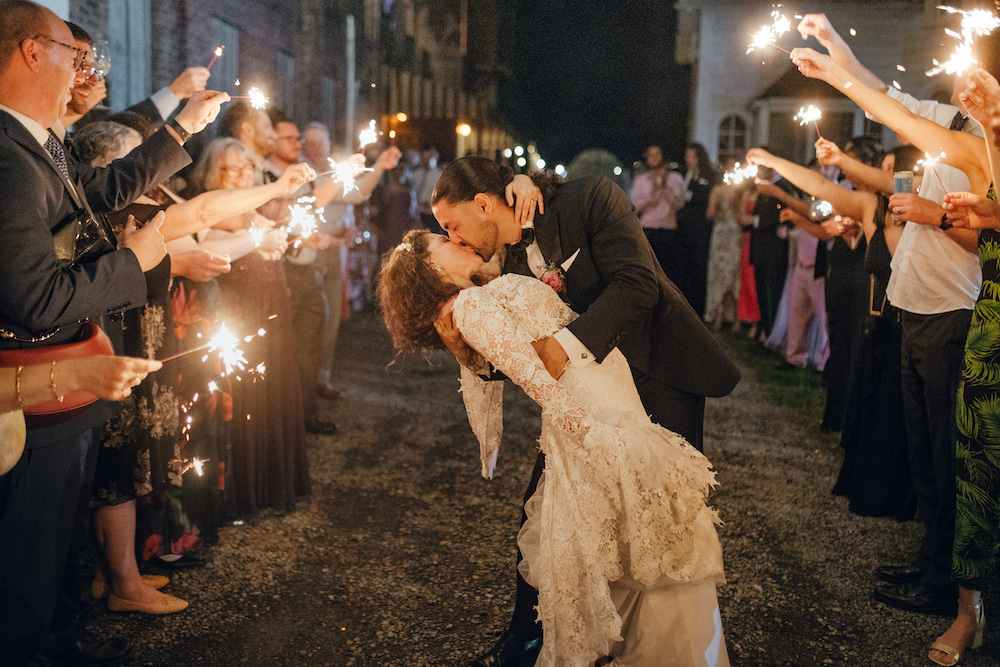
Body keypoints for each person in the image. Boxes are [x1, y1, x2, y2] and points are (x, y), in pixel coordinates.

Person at [430, 157, 740, 666]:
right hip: (585, 406)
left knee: (662, 525)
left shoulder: (591, 198)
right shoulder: (504, 264)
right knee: (548, 522)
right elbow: (518, 351)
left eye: (453, 225)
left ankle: (659, 649)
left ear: (484, 204)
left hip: (657, 378)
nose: (455, 239)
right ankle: (532, 646)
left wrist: (564, 346)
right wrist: (475, 361)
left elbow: (638, 282)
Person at [0, 2, 226, 664]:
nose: (83, 67)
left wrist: (182, 127)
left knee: (60, 552)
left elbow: (103, 190)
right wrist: (138, 263)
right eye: (74, 52)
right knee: (26, 564)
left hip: (74, 381)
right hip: (36, 388)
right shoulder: (8, 159)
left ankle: (62, 642)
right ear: (29, 51)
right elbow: (35, 298)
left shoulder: (42, 140)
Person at [792, 42, 999, 667]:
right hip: (953, 315)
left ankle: (954, 590)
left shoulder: (980, 148)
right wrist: (840, 57)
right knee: (952, 461)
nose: (971, 89)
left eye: (983, 82)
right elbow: (892, 103)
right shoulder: (959, 135)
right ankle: (947, 583)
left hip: (957, 312)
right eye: (969, 80)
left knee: (958, 458)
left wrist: (945, 217)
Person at [629, 144, 685, 278]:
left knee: (667, 270)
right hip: (648, 228)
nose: (653, 158)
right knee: (648, 269)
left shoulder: (675, 178)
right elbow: (634, 206)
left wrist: (666, 188)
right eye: (650, 155)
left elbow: (680, 204)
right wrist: (652, 194)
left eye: (657, 154)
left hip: (668, 229)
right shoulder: (641, 180)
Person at [703, 159, 746, 331]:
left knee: (734, 273)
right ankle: (718, 315)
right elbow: (709, 214)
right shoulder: (717, 190)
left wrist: (735, 203)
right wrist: (718, 206)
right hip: (720, 235)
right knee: (719, 274)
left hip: (734, 233)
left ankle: (735, 318)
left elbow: (740, 216)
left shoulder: (740, 191)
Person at [676, 143, 717, 318]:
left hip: (700, 228)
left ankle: (698, 308)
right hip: (685, 228)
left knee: (699, 267)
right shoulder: (687, 175)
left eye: (691, 156)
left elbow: (706, 197)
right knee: (685, 266)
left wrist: (689, 197)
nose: (688, 159)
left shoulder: (708, 175)